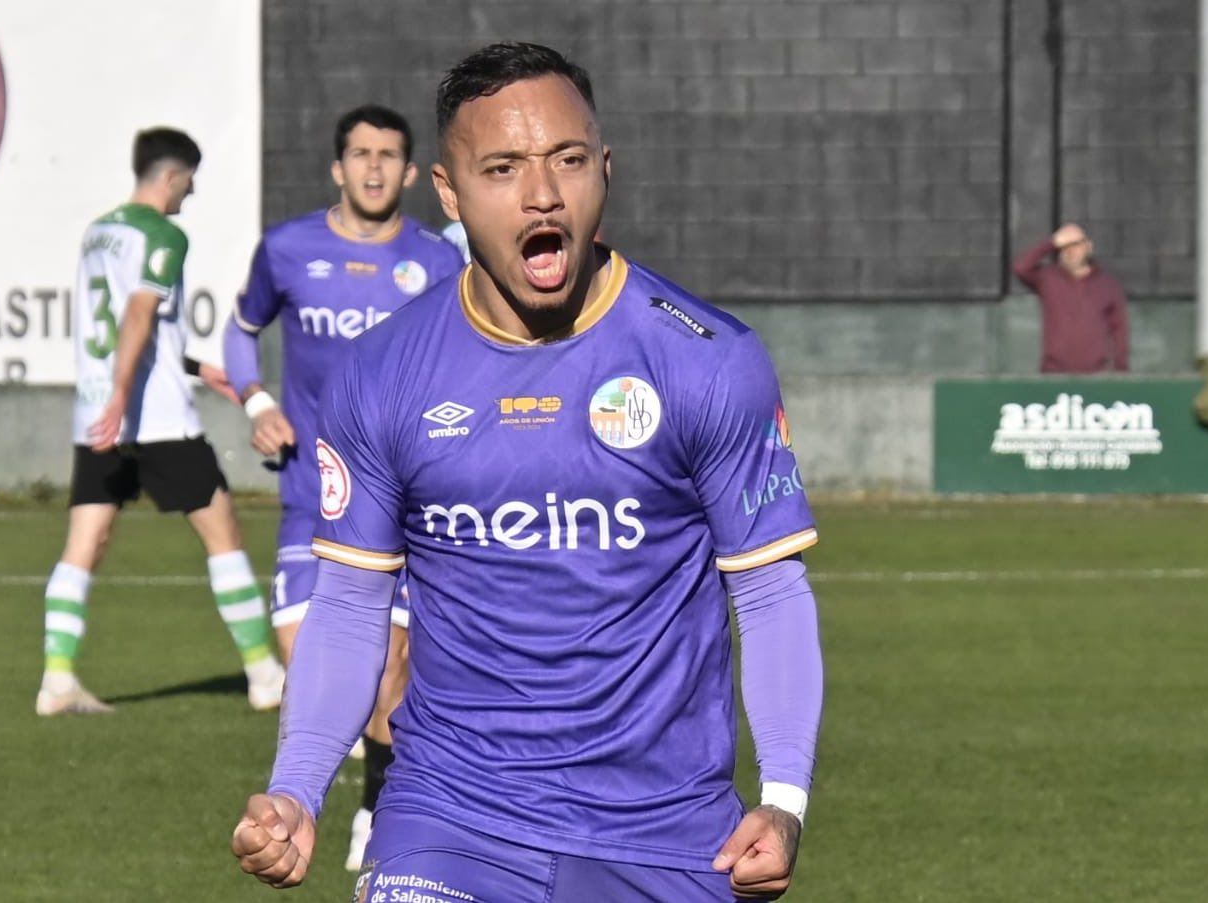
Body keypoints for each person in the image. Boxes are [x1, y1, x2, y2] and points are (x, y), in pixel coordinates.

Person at [232, 43, 824, 901]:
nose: (541, 194)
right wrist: (297, 787)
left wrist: (784, 799)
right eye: (502, 168)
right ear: (448, 193)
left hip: (670, 836)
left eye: (568, 162)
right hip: (448, 817)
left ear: (605, 172)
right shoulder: (382, 371)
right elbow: (353, 604)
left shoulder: (707, 360)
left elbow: (769, 593)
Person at [222, 104, 464, 870]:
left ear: (408, 169)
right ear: (338, 166)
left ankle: (375, 803)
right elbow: (238, 330)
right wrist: (257, 401)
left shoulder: (436, 262)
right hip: (308, 497)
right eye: (360, 153)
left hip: (400, 505)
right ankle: (351, 784)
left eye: (389, 155)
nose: (372, 167)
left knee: (390, 667)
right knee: (311, 659)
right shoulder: (287, 249)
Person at [36, 127, 284, 717]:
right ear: (171, 177)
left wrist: (198, 366)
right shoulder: (164, 235)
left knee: (84, 544)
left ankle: (57, 680)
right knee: (222, 535)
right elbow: (140, 315)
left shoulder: (99, 233)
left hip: (97, 416)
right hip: (157, 419)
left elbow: (133, 328)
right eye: (190, 183)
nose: (189, 196)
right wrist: (127, 395)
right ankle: (264, 673)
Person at [1011, 223, 1130, 374]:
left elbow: (1119, 330)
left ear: (1088, 247)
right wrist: (1052, 242)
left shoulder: (1108, 285)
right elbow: (1020, 268)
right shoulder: (1048, 279)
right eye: (1064, 246)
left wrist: (1121, 370)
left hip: (1096, 376)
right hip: (1054, 374)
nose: (1070, 251)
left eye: (1075, 244)